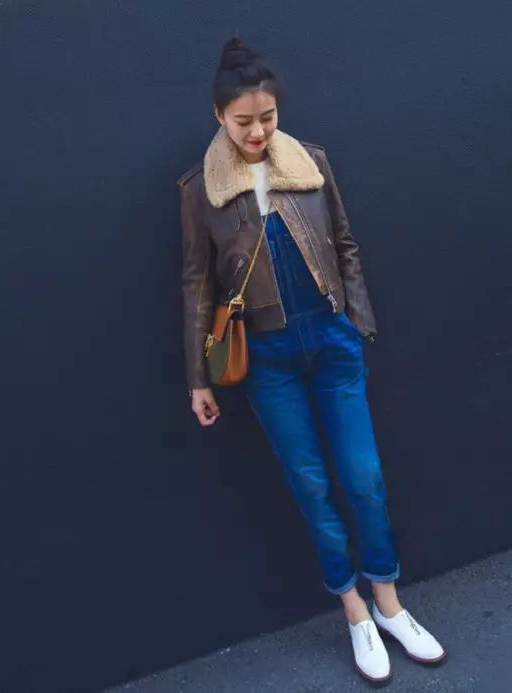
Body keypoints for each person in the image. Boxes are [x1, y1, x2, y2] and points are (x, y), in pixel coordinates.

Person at [178, 37, 447, 684]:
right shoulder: (198, 190)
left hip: (331, 342)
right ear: (219, 115)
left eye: (267, 117)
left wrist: (356, 322)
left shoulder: (313, 162)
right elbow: (196, 285)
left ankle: (388, 602)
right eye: (243, 121)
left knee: (364, 476)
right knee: (312, 484)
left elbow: (345, 244)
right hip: (265, 357)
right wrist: (197, 377)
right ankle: (354, 610)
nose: (257, 131)